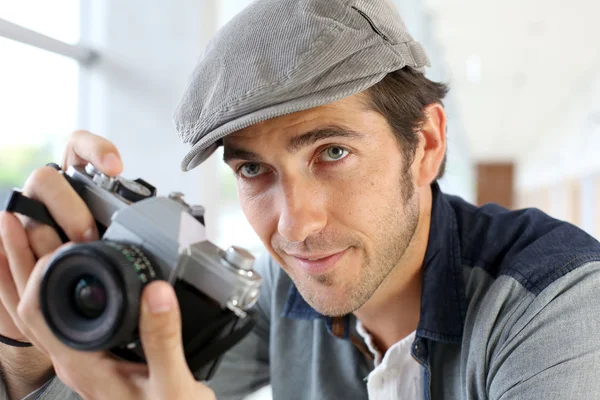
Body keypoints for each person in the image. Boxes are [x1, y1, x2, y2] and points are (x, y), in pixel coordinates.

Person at [2, 0, 600, 399]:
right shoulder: (281, 292)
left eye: (332, 153)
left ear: (426, 145)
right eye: (254, 168)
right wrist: (33, 345)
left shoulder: (561, 302)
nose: (297, 226)